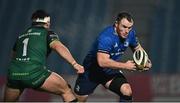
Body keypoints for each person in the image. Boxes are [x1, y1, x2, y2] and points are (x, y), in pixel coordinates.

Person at [3, 9, 84, 102]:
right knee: (66, 90)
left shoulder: (21, 36)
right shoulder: (47, 33)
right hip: (34, 74)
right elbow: (58, 47)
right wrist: (74, 64)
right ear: (47, 23)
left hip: (14, 75)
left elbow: (13, 56)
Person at [74, 12, 152, 102]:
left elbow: (138, 48)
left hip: (110, 71)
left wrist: (146, 61)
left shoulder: (130, 34)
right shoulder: (106, 37)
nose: (127, 31)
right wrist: (125, 66)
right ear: (116, 24)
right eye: (124, 27)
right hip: (91, 72)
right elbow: (102, 62)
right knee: (80, 100)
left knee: (126, 91)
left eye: (129, 27)